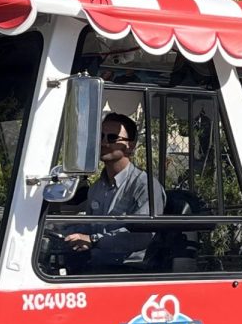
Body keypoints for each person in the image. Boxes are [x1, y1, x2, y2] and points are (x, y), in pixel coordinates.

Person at [63, 112, 166, 265]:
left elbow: (142, 235)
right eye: (101, 136)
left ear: (130, 145)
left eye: (112, 138)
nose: (104, 143)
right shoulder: (96, 188)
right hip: (96, 262)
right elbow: (89, 225)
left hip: (129, 269)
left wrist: (93, 240)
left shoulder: (145, 186)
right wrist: (63, 232)